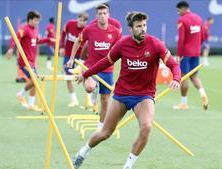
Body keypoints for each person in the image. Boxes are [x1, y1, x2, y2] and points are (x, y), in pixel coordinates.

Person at [71, 11, 181, 169]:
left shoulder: (155, 44)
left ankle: (128, 166)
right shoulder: (122, 44)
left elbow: (173, 64)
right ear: (131, 29)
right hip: (122, 94)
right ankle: (83, 152)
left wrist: (176, 78)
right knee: (105, 133)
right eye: (138, 26)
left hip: (144, 96)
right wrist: (86, 73)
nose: (143, 29)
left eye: (144, 25)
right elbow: (104, 62)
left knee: (147, 127)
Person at [67, 4, 121, 130]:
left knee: (106, 100)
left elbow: (121, 49)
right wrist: (71, 59)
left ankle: (100, 127)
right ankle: (93, 91)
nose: (102, 16)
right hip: (91, 67)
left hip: (107, 70)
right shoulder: (89, 29)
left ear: (108, 15)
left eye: (104, 13)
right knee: (89, 87)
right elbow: (78, 41)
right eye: (100, 14)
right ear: (96, 16)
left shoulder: (116, 32)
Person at [6, 11, 54, 111]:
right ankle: (20, 94)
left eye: (38, 21)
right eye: (36, 20)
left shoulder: (34, 31)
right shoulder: (25, 29)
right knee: (35, 80)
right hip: (24, 62)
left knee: (34, 82)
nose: (37, 23)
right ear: (30, 20)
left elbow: (37, 41)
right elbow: (16, 36)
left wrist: (49, 40)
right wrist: (11, 48)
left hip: (32, 62)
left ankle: (30, 104)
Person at [173, 1, 208, 110]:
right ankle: (203, 94)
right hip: (196, 52)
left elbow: (181, 39)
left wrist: (178, 54)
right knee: (194, 76)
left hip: (185, 53)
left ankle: (184, 103)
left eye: (178, 11)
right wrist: (197, 46)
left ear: (183, 9)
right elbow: (203, 35)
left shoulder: (182, 20)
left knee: (183, 77)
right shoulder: (198, 18)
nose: (178, 13)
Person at [60, 12, 89, 107]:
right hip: (68, 55)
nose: (81, 22)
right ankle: (74, 100)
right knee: (68, 77)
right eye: (80, 20)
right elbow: (63, 34)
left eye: (83, 21)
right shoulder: (69, 24)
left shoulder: (86, 30)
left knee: (85, 76)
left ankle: (89, 99)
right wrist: (61, 47)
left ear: (86, 22)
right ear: (77, 19)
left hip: (81, 57)